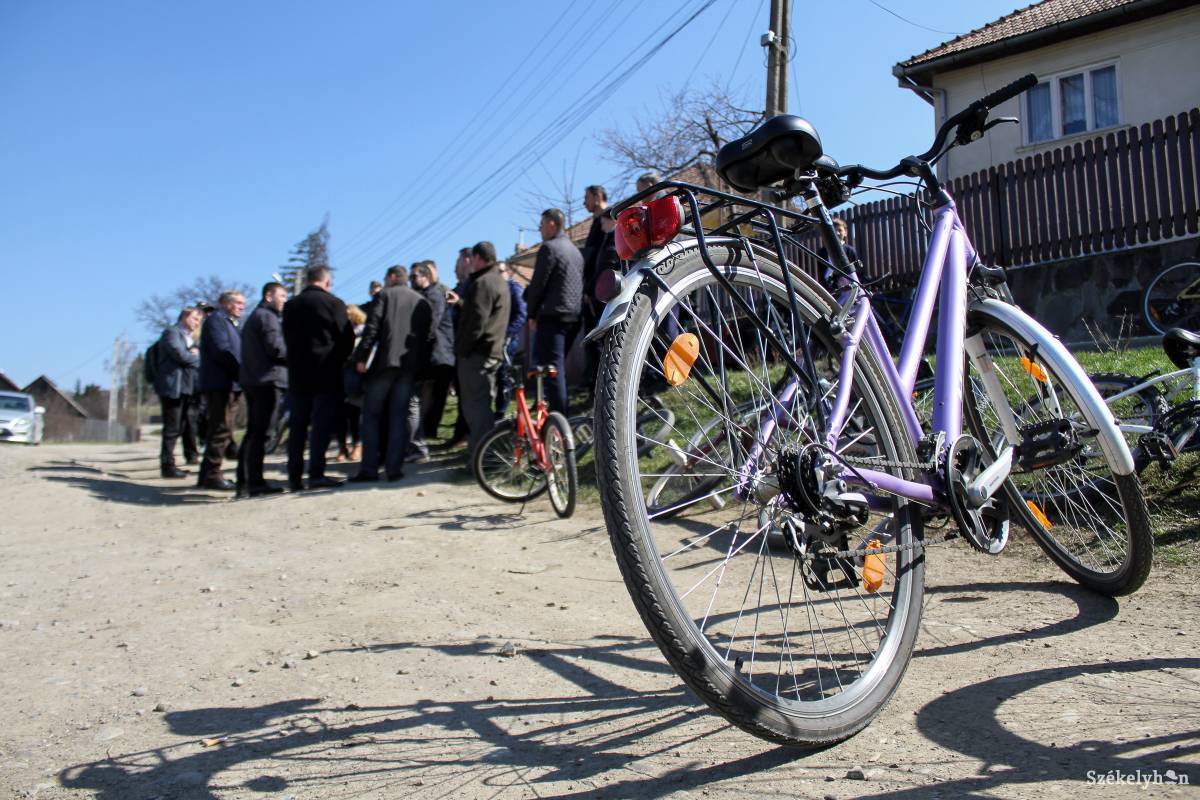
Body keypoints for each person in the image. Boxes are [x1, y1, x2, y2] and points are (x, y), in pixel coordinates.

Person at [351, 263, 433, 482]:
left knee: (371, 415)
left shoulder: (385, 295)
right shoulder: (421, 301)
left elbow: (372, 329)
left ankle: (369, 468)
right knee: (398, 417)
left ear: (392, 277)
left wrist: (361, 357)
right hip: (408, 368)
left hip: (384, 365)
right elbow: (427, 338)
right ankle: (393, 468)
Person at [282, 266, 355, 491]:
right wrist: (339, 358)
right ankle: (316, 473)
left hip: (297, 372)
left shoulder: (290, 305)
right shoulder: (333, 303)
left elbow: (285, 335)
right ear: (326, 282)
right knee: (321, 426)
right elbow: (347, 337)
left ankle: (294, 477)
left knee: (298, 426)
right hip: (326, 371)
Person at [524, 208, 583, 415]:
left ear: (551, 224)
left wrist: (531, 314)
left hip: (553, 315)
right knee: (557, 368)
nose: (539, 229)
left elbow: (538, 285)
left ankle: (559, 419)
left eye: (541, 224)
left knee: (550, 369)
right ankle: (556, 413)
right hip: (574, 315)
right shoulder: (574, 251)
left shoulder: (549, 248)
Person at [455, 241, 510, 465]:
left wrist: (462, 349)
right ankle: (484, 457)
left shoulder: (484, 283)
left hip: (477, 354)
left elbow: (476, 323)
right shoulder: (498, 281)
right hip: (491, 351)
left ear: (478, 258)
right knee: (482, 406)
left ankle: (482, 459)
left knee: (476, 408)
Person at [236, 282, 288, 497]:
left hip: (255, 380)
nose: (284, 300)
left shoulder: (256, 316)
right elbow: (276, 348)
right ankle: (254, 482)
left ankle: (245, 480)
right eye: (282, 295)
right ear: (269, 296)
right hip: (267, 381)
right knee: (262, 433)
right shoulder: (267, 317)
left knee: (254, 432)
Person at [197, 290, 245, 490]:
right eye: (238, 303)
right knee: (220, 430)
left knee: (223, 429)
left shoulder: (230, 323)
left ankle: (206, 473)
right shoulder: (216, 321)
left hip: (229, 384)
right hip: (221, 383)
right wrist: (240, 373)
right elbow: (222, 351)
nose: (242, 307)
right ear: (226, 303)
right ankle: (212, 474)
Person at [579, 185, 619, 392]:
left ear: (597, 196)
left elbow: (603, 259)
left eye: (586, 197)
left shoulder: (606, 222)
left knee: (599, 336)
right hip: (592, 287)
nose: (583, 202)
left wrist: (590, 287)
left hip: (600, 289)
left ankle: (601, 382)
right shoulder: (597, 224)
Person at [154, 306, 201, 478]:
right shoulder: (171, 333)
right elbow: (180, 355)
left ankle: (171, 463)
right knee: (171, 428)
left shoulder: (189, 337)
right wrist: (196, 357)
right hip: (172, 387)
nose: (197, 323)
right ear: (185, 316)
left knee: (179, 427)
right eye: (195, 319)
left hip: (185, 388)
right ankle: (167, 465)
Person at [416, 260, 456, 441]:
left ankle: (428, 430)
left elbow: (433, 322)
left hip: (440, 352)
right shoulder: (425, 293)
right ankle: (425, 430)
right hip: (435, 352)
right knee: (429, 394)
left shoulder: (436, 293)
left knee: (435, 394)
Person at [494, 260, 527, 418]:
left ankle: (501, 412)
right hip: (495, 339)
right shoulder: (495, 290)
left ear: (507, 272)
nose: (497, 275)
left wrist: (507, 334)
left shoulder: (513, 288)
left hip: (507, 340)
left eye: (500, 271)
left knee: (503, 376)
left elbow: (521, 315)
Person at [335, 304, 367, 463]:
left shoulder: (362, 331)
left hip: (355, 376)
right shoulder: (337, 332)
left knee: (355, 413)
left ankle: (357, 445)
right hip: (339, 375)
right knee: (340, 415)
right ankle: (342, 447)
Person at [816, 217, 858, 290]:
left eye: (840, 230)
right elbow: (821, 273)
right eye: (834, 231)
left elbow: (856, 272)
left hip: (847, 287)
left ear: (845, 232)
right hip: (827, 287)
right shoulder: (822, 252)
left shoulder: (850, 251)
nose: (837, 233)